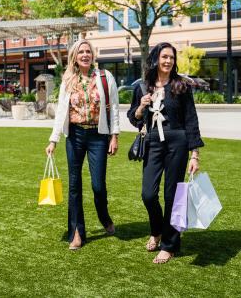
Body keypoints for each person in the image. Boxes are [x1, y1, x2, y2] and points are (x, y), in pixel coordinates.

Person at [127, 42, 204, 264]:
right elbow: (134, 118)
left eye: (171, 57)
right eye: (164, 57)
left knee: (173, 195)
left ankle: (170, 245)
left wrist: (194, 154)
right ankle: (157, 230)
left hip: (177, 142)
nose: (168, 61)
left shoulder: (181, 85)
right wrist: (141, 107)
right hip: (152, 142)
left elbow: (191, 120)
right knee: (148, 194)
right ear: (155, 59)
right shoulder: (142, 86)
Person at [46, 39, 120, 250]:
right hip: (75, 136)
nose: (85, 55)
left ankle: (104, 216)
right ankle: (77, 233)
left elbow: (114, 107)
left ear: (93, 55)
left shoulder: (105, 78)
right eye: (81, 52)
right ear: (75, 57)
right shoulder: (68, 79)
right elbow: (62, 111)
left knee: (98, 186)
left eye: (88, 51)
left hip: (98, 136)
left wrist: (114, 136)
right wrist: (53, 140)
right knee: (74, 186)